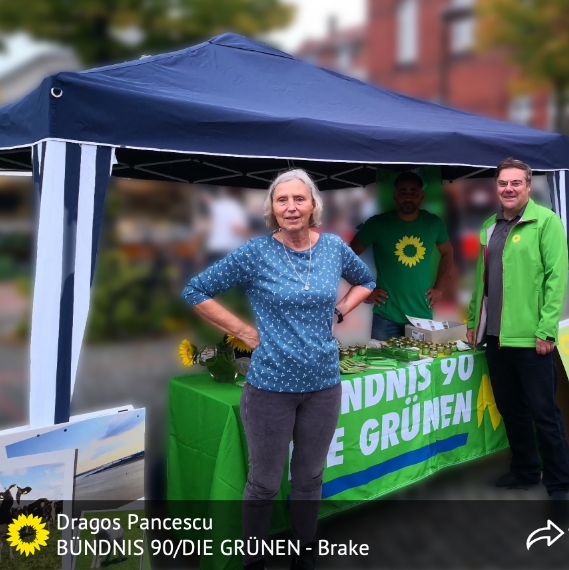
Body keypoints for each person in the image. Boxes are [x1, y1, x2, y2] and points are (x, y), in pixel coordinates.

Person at [183, 169, 374, 570]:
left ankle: (303, 555)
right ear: (271, 208)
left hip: (323, 385)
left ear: (313, 205)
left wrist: (340, 309)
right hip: (270, 387)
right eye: (282, 200)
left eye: (299, 199)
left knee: (309, 479)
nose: (291, 207)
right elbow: (195, 290)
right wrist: (242, 330)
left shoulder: (334, 249)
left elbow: (366, 280)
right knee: (264, 483)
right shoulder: (256, 253)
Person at [466, 157, 569, 497]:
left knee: (544, 413)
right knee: (511, 409)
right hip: (496, 337)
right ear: (495, 188)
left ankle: (558, 481)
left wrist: (547, 330)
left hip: (531, 339)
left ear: (528, 186)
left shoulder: (546, 222)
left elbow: (558, 279)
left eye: (516, 183)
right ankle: (526, 469)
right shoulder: (488, 226)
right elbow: (480, 281)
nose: (508, 189)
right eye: (502, 183)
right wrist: (473, 323)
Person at [350, 171, 453, 340]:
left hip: (421, 315)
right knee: (383, 365)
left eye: (414, 192)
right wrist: (365, 291)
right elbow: (348, 257)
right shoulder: (377, 224)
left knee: (420, 365)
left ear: (422, 196)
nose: (408, 197)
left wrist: (439, 288)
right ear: (395, 196)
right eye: (403, 192)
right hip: (386, 315)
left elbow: (448, 253)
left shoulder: (434, 223)